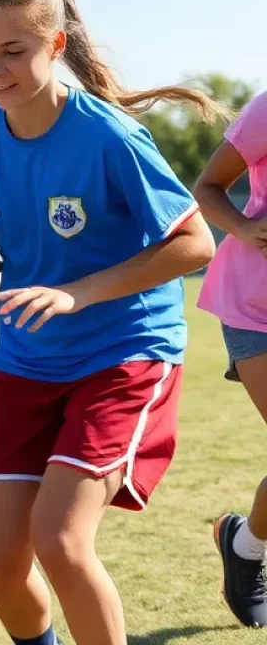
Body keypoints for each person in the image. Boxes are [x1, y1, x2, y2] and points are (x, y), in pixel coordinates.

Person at [0, 0, 217, 645]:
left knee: (61, 541)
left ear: (56, 44)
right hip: (26, 356)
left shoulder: (108, 135)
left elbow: (195, 243)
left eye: (13, 51)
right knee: (3, 560)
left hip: (122, 350)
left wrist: (77, 292)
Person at [192, 90, 267, 627]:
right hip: (254, 305)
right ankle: (246, 551)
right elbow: (207, 187)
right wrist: (241, 227)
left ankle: (244, 545)